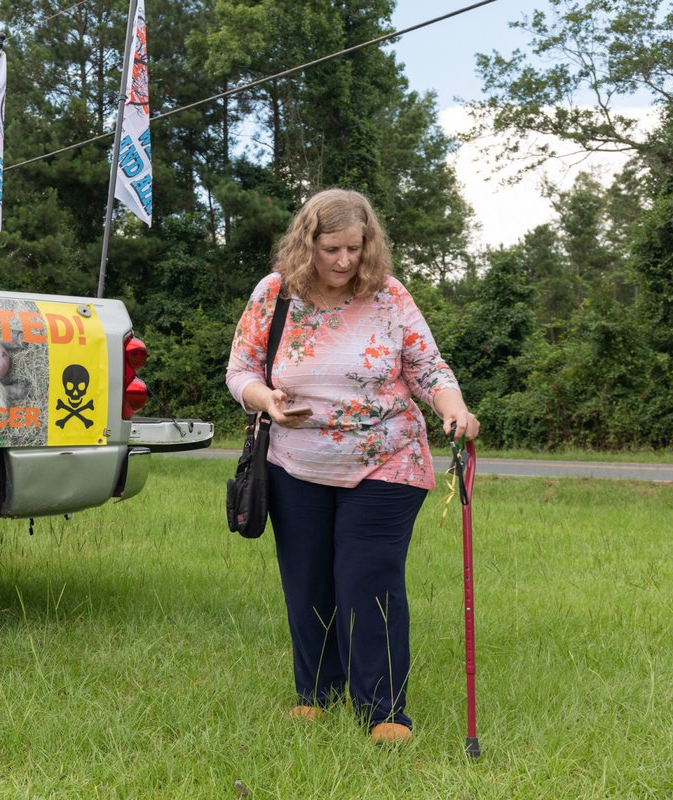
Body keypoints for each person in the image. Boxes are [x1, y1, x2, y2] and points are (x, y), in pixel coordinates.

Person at [225, 188, 479, 745]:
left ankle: (383, 710)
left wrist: (454, 407)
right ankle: (317, 693)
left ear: (369, 245)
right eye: (331, 249)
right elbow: (240, 370)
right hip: (294, 463)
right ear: (307, 243)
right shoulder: (275, 293)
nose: (344, 261)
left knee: (369, 581)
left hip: (386, 459)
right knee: (308, 581)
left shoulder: (388, 295)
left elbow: (427, 367)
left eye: (354, 248)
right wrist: (266, 400)